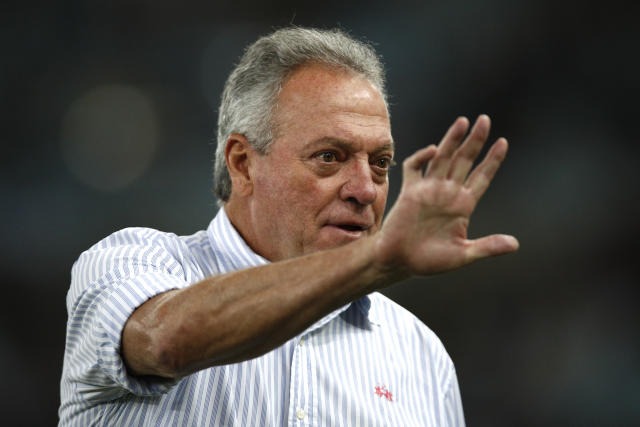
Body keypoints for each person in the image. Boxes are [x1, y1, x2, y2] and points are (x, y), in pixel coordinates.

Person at [58, 27, 518, 426]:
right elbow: (166, 343)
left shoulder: (420, 355)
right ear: (242, 164)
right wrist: (374, 260)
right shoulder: (127, 263)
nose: (365, 189)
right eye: (329, 157)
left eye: (380, 163)